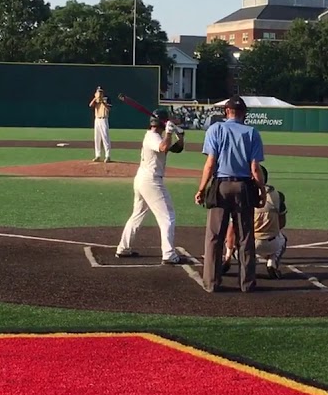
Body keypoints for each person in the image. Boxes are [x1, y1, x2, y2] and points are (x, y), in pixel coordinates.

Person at [196, 95, 265, 293]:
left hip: (220, 185)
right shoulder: (252, 132)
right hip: (243, 186)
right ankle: (247, 283)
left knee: (214, 237)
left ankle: (211, 282)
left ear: (226, 111)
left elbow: (210, 164)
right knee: (245, 237)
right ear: (244, 114)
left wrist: (201, 189)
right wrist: (261, 190)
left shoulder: (215, 129)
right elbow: (255, 168)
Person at [115, 111, 187, 265]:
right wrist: (169, 132)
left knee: (137, 214)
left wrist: (180, 136)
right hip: (151, 181)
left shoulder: (157, 135)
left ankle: (123, 247)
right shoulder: (153, 137)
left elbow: (176, 149)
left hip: (143, 179)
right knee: (168, 217)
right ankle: (168, 254)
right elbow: (162, 147)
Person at [223, 164, 287, 279]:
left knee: (232, 228)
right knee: (283, 239)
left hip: (249, 243)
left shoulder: (243, 196)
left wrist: (228, 255)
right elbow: (282, 222)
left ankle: (229, 257)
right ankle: (272, 262)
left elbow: (232, 230)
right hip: (271, 243)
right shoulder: (278, 195)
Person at [89, 87, 112, 163]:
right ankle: (97, 155)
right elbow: (90, 105)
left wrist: (102, 101)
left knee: (105, 138)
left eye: (101, 91)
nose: (100, 93)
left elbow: (109, 108)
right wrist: (95, 99)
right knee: (97, 138)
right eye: (98, 91)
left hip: (104, 119)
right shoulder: (96, 99)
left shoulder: (106, 98)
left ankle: (107, 156)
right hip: (97, 119)